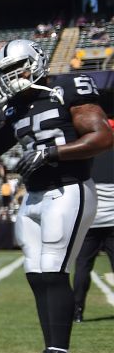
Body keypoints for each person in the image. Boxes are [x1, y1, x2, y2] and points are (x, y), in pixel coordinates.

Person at [0, 40, 110, 353]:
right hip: (35, 194)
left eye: (17, 67)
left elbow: (102, 136)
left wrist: (52, 152)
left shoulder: (65, 88)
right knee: (37, 274)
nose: (12, 76)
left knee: (53, 269)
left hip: (68, 188)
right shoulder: (16, 105)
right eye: (6, 71)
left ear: (36, 62)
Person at [72, 121, 114, 322]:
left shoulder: (87, 155)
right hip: (113, 222)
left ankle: (77, 311)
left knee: (82, 266)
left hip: (92, 222)